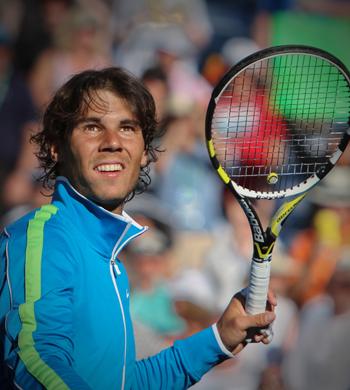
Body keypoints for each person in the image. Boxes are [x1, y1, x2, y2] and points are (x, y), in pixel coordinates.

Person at [0, 67, 276, 389]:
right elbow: (35, 365)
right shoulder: (44, 238)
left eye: (127, 128)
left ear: (145, 153)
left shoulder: (111, 261)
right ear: (56, 148)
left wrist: (218, 339)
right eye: (92, 127)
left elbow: (125, 383)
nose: (113, 142)